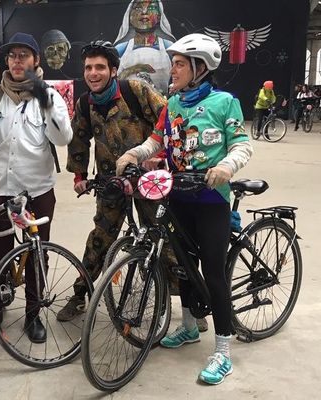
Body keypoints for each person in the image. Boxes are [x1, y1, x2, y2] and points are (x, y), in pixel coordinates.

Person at [115, 33, 253, 385]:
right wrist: (135, 153)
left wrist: (227, 167)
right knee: (183, 263)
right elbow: (156, 140)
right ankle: (190, 327)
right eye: (173, 63)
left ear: (199, 68)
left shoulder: (225, 102)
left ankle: (223, 350)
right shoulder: (173, 104)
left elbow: (241, 144)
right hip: (178, 197)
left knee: (213, 272)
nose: (172, 69)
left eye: (178, 64)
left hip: (211, 201)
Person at [0, 32, 73, 341]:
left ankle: (33, 314)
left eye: (24, 54)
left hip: (37, 190)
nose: (18, 60)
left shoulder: (50, 95)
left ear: (36, 60)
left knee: (38, 253)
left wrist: (44, 97)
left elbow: (63, 138)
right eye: (12, 55)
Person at [58, 40, 166, 321]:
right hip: (111, 182)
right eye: (88, 68)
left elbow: (169, 119)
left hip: (147, 181)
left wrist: (159, 153)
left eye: (100, 67)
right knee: (100, 238)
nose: (93, 73)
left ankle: (188, 302)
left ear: (113, 70)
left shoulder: (136, 91)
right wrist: (80, 176)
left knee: (161, 239)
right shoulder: (85, 104)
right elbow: (79, 140)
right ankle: (80, 294)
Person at [114, 0, 176, 94]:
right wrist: (134, 69)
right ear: (129, 16)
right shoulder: (120, 49)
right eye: (138, 8)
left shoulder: (170, 48)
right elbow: (112, 84)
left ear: (159, 16)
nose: (144, 12)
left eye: (151, 8)